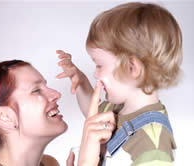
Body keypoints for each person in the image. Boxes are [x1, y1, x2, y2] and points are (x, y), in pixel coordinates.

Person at [57, 2, 182, 165]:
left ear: (131, 68)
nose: (95, 74)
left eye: (99, 65)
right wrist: (80, 82)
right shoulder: (116, 108)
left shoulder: (152, 145)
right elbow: (92, 114)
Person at [0, 59, 116, 166]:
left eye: (45, 86)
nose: (56, 94)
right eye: (36, 91)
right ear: (4, 116)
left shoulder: (49, 164)